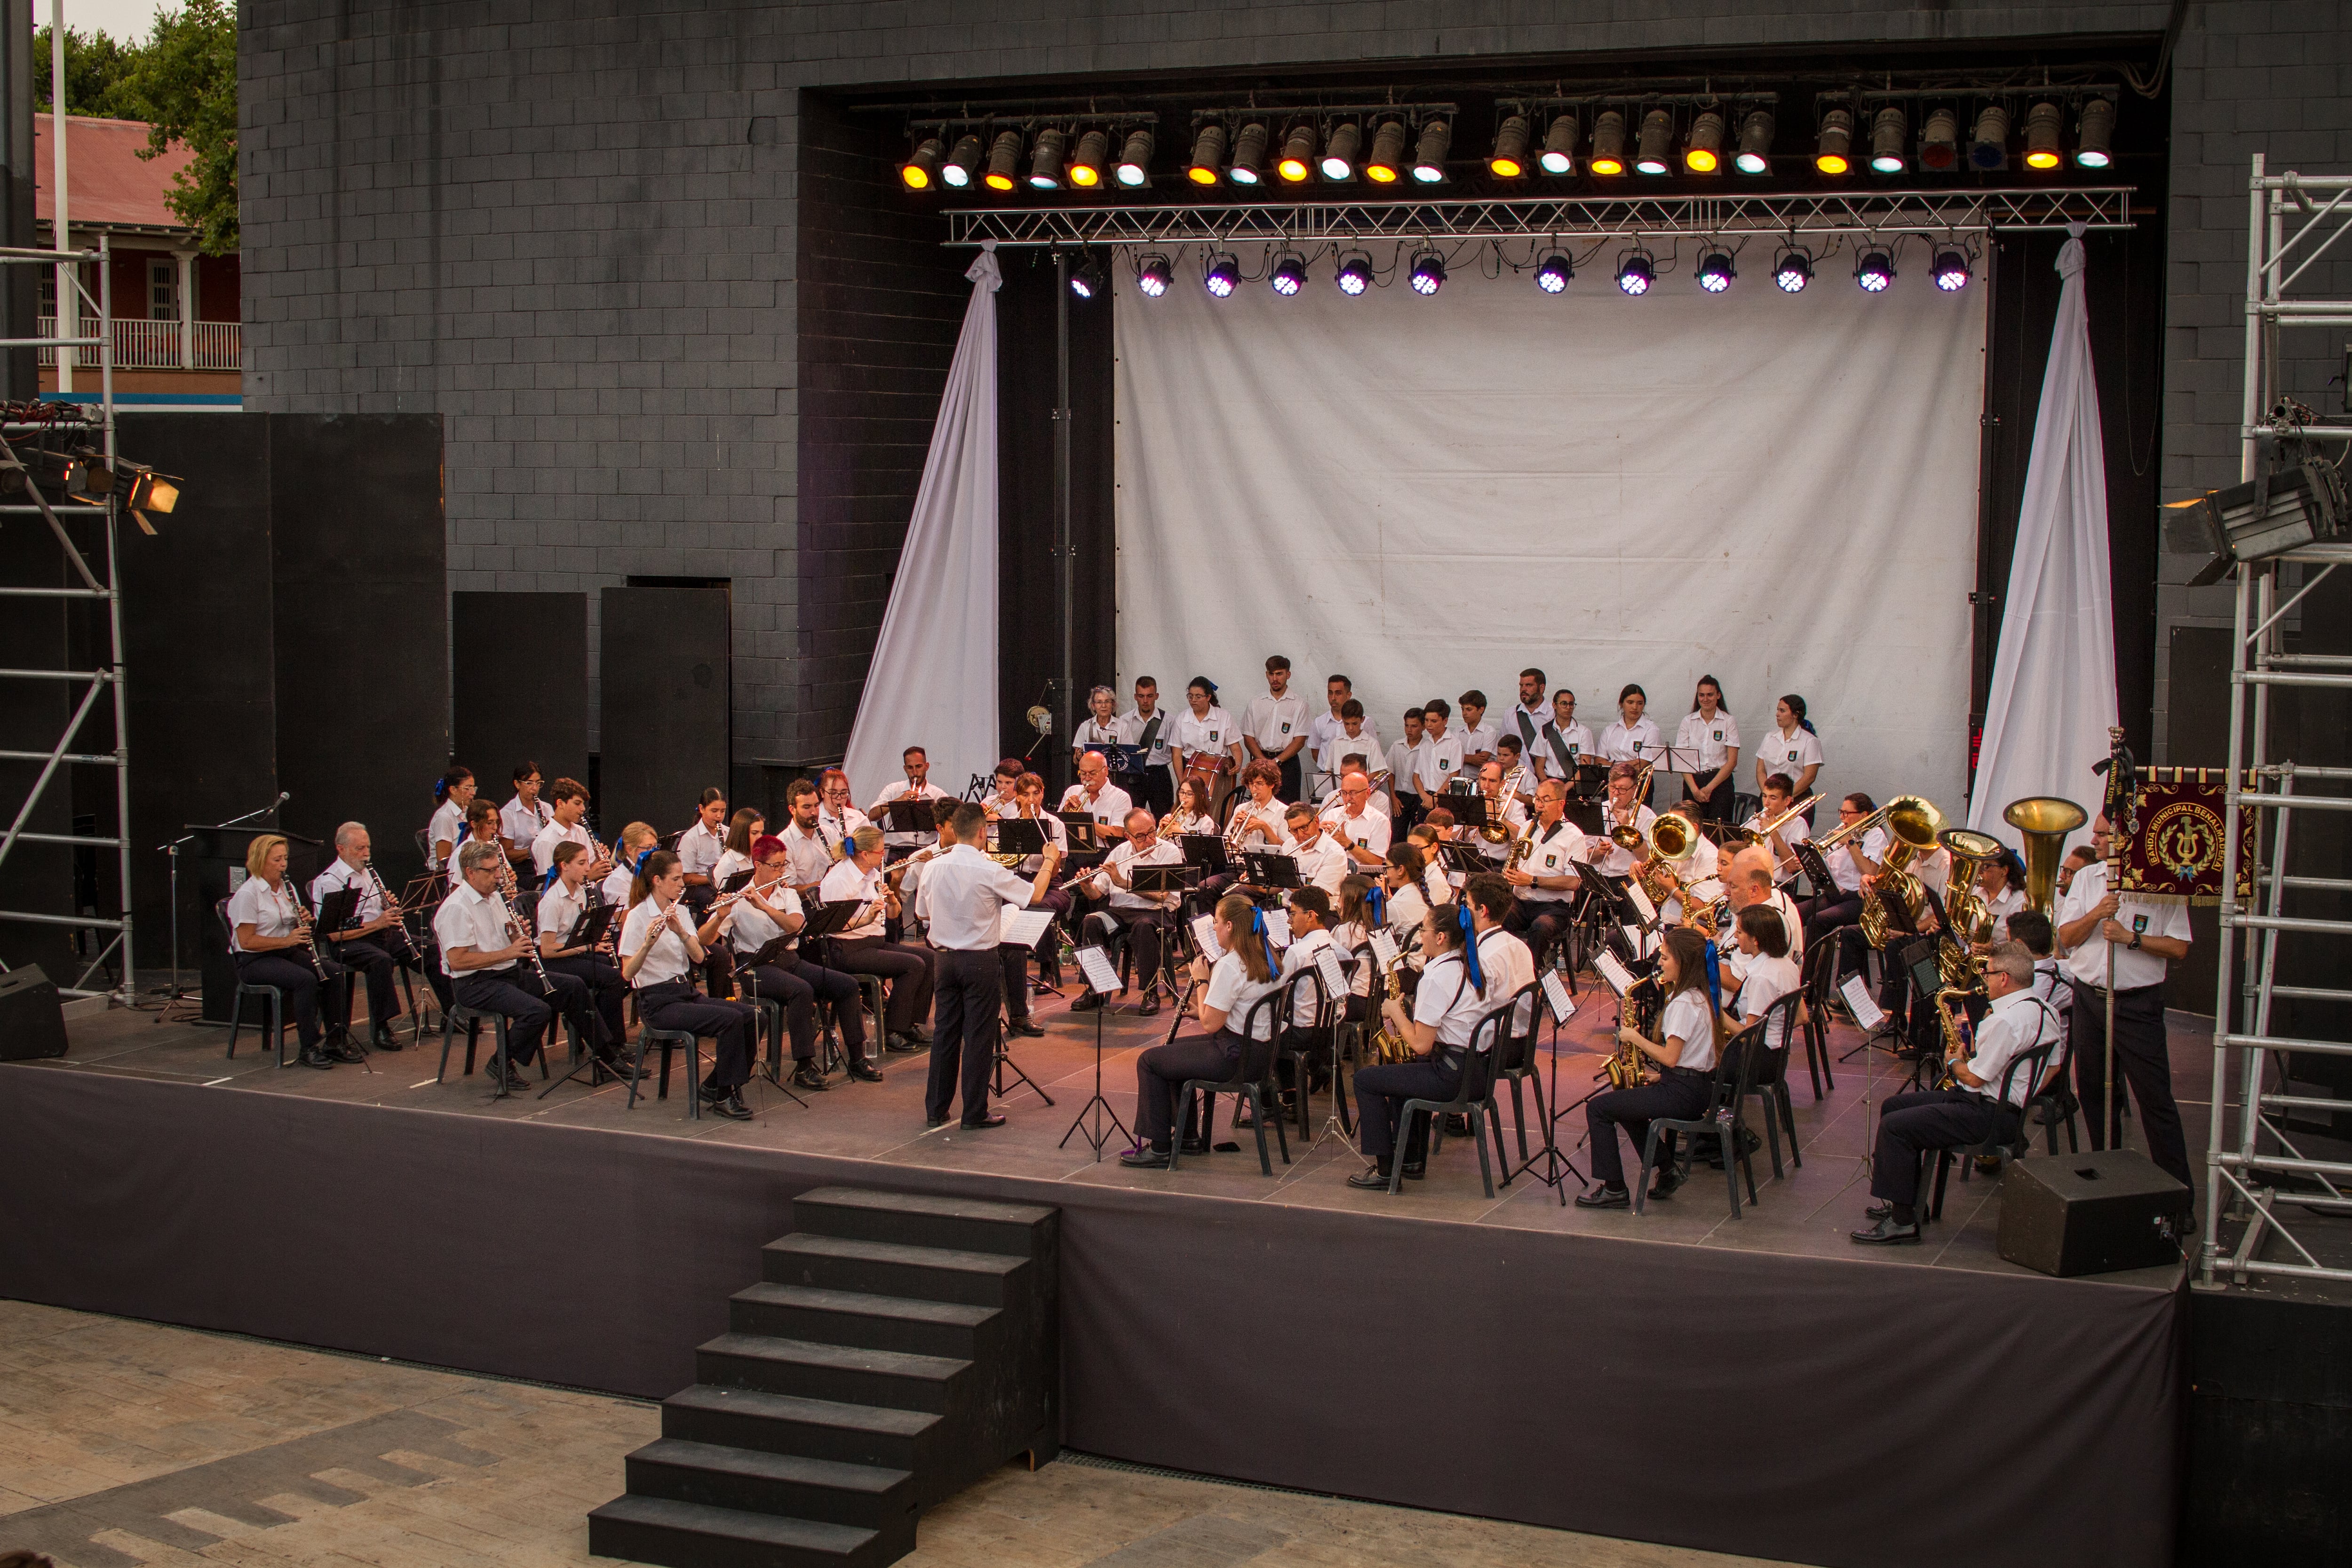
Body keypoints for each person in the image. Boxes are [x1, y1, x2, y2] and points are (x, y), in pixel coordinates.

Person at [1850, 941, 2062, 1243]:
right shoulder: (2048, 1011)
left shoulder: (2005, 1020)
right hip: (1998, 1108)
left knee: (1896, 1128)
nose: (1983, 980)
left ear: (2004, 978)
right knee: (1894, 1106)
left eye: (1987, 974)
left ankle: (1902, 1224)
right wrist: (2023, 1095)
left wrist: (1954, 1062)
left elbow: (1974, 1079)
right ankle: (1907, 1204)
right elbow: (2054, 1067)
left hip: (1986, 1114)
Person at [2055, 815, 2194, 1187]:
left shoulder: (2163, 882)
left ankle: (2178, 1191)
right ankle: (2107, 1180)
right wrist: (2097, 913)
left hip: (2137, 1004)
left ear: (2126, 838)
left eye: (2103, 833)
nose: (2095, 839)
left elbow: (2179, 946)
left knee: (2154, 1100)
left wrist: (2132, 938)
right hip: (2090, 999)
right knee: (2095, 1094)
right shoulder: (2087, 879)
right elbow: (2067, 937)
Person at [912, 802, 1064, 1129]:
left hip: (944, 958)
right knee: (979, 1035)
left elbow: (922, 914)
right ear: (983, 831)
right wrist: (1049, 862)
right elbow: (1035, 895)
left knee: (945, 1034)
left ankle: (936, 1109)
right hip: (978, 960)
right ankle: (974, 1112)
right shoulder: (988, 869)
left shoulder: (932, 867)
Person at [1121, 892, 1284, 1168]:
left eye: (1217, 922)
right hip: (1261, 1054)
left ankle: (1161, 1149)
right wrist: (1204, 1009)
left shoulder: (1231, 964)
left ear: (1231, 926)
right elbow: (1239, 1007)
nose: (1214, 927)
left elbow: (1211, 1025)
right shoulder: (1266, 955)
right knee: (1170, 1054)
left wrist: (1201, 982)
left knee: (1149, 1061)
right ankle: (1188, 1138)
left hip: (1234, 1058)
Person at [1347, 901, 1496, 1187]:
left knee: (1366, 1080)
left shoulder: (1436, 977)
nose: (1420, 937)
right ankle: (1412, 1160)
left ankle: (1386, 1170)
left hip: (1452, 1077)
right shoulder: (1473, 967)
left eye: (1424, 930)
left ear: (1440, 937)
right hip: (1478, 1072)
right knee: (1407, 1073)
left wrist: (1394, 1012)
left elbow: (1421, 1045)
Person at [1577, 926, 1725, 1208]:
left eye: (1666, 958)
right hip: (1694, 1087)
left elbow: (1670, 1056)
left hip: (1684, 1095)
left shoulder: (1683, 1004)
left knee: (1598, 1109)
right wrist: (1663, 1077)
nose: (1659, 963)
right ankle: (1668, 1170)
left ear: (1683, 963)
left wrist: (1635, 1038)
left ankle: (1615, 1188)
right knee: (1626, 1105)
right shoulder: (1701, 996)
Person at [436, 839, 589, 1091]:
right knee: (537, 1010)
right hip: (476, 983)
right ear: (471, 873)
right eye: (492, 871)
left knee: (573, 986)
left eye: (499, 869)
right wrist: (509, 951)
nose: (499, 876)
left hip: (506, 973)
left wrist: (516, 935)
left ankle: (607, 1053)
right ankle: (500, 1062)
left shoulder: (494, 897)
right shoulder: (456, 908)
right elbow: (458, 960)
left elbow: (501, 939)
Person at [618, 849, 759, 1119]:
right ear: (657, 881)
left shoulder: (680, 911)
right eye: (676, 879)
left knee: (753, 1017)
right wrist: (648, 944)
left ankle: (716, 1084)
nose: (683, 884)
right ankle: (723, 1095)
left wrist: (681, 932)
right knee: (729, 1020)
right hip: (658, 1001)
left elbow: (697, 956)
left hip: (685, 992)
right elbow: (627, 974)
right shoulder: (638, 916)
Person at [728, 833, 877, 1088]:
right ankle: (804, 1067)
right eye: (775, 866)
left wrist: (765, 907)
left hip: (789, 960)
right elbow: (707, 939)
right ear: (758, 865)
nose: (780, 871)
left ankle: (857, 1058)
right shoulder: (738, 899)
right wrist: (720, 914)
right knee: (801, 990)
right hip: (756, 968)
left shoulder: (787, 895)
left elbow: (796, 926)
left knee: (847, 985)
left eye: (783, 865)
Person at [234, 832, 354, 1068]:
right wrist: (288, 940)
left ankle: (335, 1042)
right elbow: (246, 941)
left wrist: (303, 920)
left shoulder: (285, 888)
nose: (283, 865)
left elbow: (288, 927)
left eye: (285, 859)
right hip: (254, 960)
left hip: (284, 952)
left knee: (334, 972)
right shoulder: (248, 894)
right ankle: (308, 1048)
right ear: (261, 861)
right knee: (305, 980)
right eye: (277, 860)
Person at [820, 827, 938, 1051]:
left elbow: (892, 916)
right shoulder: (838, 880)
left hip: (872, 942)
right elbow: (834, 928)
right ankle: (893, 1030)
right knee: (912, 965)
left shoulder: (872, 874)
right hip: (847, 948)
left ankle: (910, 1024)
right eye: (880, 851)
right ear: (865, 854)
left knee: (929, 958)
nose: (883, 855)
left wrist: (892, 901)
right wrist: (868, 917)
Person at [310, 821, 421, 1051]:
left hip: (378, 935)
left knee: (427, 950)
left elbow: (376, 913)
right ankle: (381, 1027)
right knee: (381, 960)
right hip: (349, 942)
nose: (367, 853)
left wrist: (384, 905)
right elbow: (332, 933)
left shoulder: (368, 872)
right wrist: (378, 923)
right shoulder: (329, 881)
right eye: (360, 848)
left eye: (368, 847)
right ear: (341, 849)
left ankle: (455, 1011)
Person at [535, 841, 635, 1075]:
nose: (586, 868)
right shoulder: (552, 901)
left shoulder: (581, 892)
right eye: (581, 864)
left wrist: (595, 943)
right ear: (564, 866)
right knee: (611, 978)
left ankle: (593, 1025)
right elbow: (548, 950)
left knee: (623, 972)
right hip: (556, 961)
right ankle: (612, 1044)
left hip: (576, 954)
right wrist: (587, 948)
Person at [1077, 807, 1185, 1015]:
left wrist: (1124, 883)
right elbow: (1096, 894)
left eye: (1152, 832)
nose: (1150, 840)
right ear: (1128, 836)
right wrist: (1086, 885)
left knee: (1144, 927)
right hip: (1120, 913)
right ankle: (1094, 988)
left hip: (1156, 913)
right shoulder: (1119, 853)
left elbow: (1163, 896)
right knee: (1091, 921)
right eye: (1141, 836)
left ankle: (1151, 992)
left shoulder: (1169, 852)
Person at [996, 771, 1073, 1022]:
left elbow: (1058, 863)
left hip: (1050, 884)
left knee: (1037, 908)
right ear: (1017, 797)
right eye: (1026, 794)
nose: (1032, 799)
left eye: (1036, 793)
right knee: (1004, 907)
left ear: (1042, 794)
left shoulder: (1054, 824)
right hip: (1018, 883)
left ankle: (1047, 969)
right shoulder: (1007, 821)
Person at [1503, 777, 1583, 963]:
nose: (1539, 805)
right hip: (1521, 902)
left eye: (1545, 800)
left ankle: (1530, 977)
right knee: (1494, 920)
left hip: (1553, 907)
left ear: (1561, 804)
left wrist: (1532, 880)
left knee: (1540, 928)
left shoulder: (1574, 836)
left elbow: (1573, 882)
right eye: (1537, 799)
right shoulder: (1527, 827)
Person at [1800, 793, 1885, 941]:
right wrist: (1814, 858)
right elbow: (1830, 868)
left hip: (1859, 899)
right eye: (1841, 812)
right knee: (1793, 914)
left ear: (1863, 815)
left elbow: (1870, 871)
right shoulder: (1844, 832)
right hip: (1835, 894)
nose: (1842, 817)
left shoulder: (1876, 836)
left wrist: (1850, 844)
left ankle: (1814, 964)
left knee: (1817, 921)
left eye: (1847, 813)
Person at [1723, 904, 1800, 1054]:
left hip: (1756, 1059)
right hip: (1777, 1052)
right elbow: (1802, 1017)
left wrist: (1717, 1016)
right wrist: (1776, 1029)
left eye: (1739, 932)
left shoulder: (1761, 978)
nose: (1736, 937)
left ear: (1756, 940)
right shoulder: (1789, 965)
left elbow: (1751, 1037)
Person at [1242, 654, 1310, 804]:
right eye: (1271, 674)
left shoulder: (1299, 704)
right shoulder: (1256, 703)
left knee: (1288, 810)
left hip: (1287, 765)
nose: (1275, 679)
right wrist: (1263, 761)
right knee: (1258, 806)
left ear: (1288, 675)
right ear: (1267, 675)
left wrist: (1276, 762)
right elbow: (1248, 737)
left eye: (1279, 674)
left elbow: (1299, 741)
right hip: (1261, 760)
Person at [1172, 676, 1243, 818]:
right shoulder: (1182, 718)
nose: (1193, 700)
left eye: (1198, 697)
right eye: (1190, 696)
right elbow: (1176, 754)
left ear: (1208, 697)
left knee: (1214, 813)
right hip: (1190, 770)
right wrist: (1182, 782)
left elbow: (1236, 748)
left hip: (1218, 773)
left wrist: (1238, 764)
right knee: (1188, 814)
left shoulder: (1223, 717)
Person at [1676, 677, 1741, 827]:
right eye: (1702, 695)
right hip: (1693, 782)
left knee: (1718, 832)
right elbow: (1682, 760)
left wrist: (1709, 789)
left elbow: (1732, 761)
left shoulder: (1728, 721)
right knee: (1691, 831)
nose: (1706, 699)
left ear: (1718, 695)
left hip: (1720, 783)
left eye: (1710, 695)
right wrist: (1695, 790)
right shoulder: (1688, 721)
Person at [869, 746, 948, 856]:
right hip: (896, 851)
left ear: (927, 766)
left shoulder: (938, 795)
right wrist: (898, 801)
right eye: (910, 768)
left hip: (926, 851)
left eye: (919, 767)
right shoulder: (893, 789)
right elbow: (872, 816)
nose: (915, 773)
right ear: (905, 769)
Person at [1119, 675, 1178, 818]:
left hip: (1159, 775)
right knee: (1131, 818)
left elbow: (1176, 753)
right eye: (1141, 696)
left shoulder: (1169, 721)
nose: (1145, 701)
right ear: (1135, 697)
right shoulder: (1124, 721)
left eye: (1150, 696)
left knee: (1163, 818)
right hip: (1133, 776)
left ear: (1157, 696)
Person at [529, 778, 610, 881]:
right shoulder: (547, 841)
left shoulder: (581, 831)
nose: (583, 809)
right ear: (561, 804)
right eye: (577, 803)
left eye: (583, 804)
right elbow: (550, 885)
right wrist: (588, 878)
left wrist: (599, 862)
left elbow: (590, 866)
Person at [1755, 694, 1823, 808]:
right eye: (1778, 710)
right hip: (1769, 799)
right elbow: (1761, 770)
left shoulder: (1810, 741)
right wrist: (1768, 796)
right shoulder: (1770, 737)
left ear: (1795, 715)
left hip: (1796, 799)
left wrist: (1785, 798)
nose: (1777, 714)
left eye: (1782, 711)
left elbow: (1809, 777)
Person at [1320, 767, 1393, 871]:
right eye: (1344, 793)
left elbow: (1377, 862)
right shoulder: (1332, 814)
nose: (1348, 798)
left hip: (1361, 879)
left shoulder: (1380, 821)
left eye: (1353, 793)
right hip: (1331, 872)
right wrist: (1319, 836)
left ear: (1367, 794)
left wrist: (1348, 843)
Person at [1060, 750, 1134, 848]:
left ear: (1106, 771)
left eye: (1093, 773)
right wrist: (1065, 811)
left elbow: (1117, 835)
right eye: (1083, 773)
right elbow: (1057, 827)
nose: (1087, 778)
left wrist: (1084, 819)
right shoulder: (1072, 791)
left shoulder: (1121, 798)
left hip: (1105, 854)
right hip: (1073, 851)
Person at [1281, 803, 1350, 899]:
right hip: (1287, 908)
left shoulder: (1335, 853)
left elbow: (1317, 897)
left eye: (1304, 828)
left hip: (1321, 912)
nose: (1300, 835)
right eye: (1294, 831)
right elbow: (1277, 888)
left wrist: (1284, 879)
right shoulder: (1289, 845)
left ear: (1316, 821)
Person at [1598, 685, 1662, 782]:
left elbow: (1641, 763)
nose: (1635, 707)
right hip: (1612, 782)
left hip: (1638, 781)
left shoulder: (1651, 730)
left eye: (1640, 703)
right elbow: (1599, 762)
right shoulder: (1610, 730)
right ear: (1621, 704)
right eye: (1630, 702)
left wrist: (1612, 766)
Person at [677, 788, 729, 902]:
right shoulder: (691, 838)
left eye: (723, 811)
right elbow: (686, 877)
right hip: (701, 887)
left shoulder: (729, 833)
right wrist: (715, 878)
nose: (719, 816)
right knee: (715, 900)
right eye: (714, 811)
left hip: (723, 883)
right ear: (702, 809)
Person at [1413, 697, 1466, 804]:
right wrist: (1425, 797)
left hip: (1445, 798)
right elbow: (1416, 776)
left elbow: (1454, 775)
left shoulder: (1454, 744)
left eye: (1434, 721)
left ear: (1445, 721)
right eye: (1426, 720)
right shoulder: (1425, 744)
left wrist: (1435, 799)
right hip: (1425, 798)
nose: (1429, 725)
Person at [499, 762, 550, 871]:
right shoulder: (507, 813)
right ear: (517, 784)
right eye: (529, 783)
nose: (535, 788)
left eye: (538, 783)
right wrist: (533, 850)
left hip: (547, 861)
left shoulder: (547, 808)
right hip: (522, 868)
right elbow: (507, 853)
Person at [426, 767, 475, 872]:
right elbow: (443, 861)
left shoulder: (468, 812)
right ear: (453, 790)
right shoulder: (444, 817)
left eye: (473, 788)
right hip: (448, 874)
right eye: (468, 788)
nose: (473, 793)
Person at [1386, 707, 1427, 828]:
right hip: (1400, 797)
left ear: (1423, 727)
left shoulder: (1428, 747)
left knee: (1417, 832)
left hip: (1419, 796)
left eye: (1414, 726)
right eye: (1407, 726)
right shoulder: (1397, 746)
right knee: (1397, 835)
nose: (1409, 730)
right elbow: (1390, 772)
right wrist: (1393, 797)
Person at [1506, 669, 1549, 775]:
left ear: (1542, 688)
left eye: (1529, 685)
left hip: (1546, 777)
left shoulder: (1553, 714)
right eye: (1521, 686)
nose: (1523, 690)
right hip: (1517, 777)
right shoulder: (1511, 714)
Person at [1457, 690, 1497, 772]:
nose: (1464, 713)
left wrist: (1459, 757)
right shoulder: (1457, 731)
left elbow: (1482, 759)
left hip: (1479, 781)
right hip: (1458, 781)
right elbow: (1448, 756)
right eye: (1463, 709)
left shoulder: (1489, 732)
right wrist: (1472, 759)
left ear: (1481, 710)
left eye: (1469, 710)